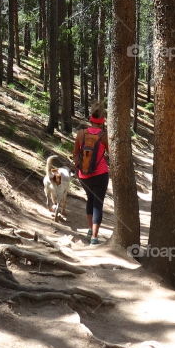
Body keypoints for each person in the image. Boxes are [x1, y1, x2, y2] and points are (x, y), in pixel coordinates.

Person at [72, 103, 110, 246]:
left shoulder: (81, 133)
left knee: (89, 199)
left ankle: (89, 229)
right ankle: (94, 237)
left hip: (84, 175)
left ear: (90, 118)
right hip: (100, 174)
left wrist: (79, 167)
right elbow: (111, 154)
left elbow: (75, 153)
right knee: (98, 203)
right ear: (103, 120)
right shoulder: (104, 136)